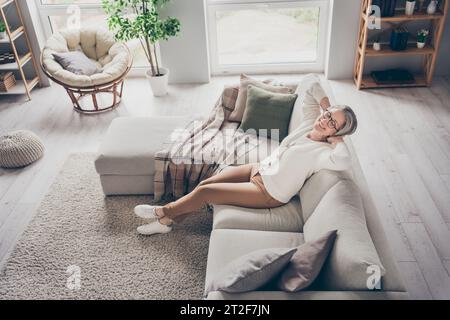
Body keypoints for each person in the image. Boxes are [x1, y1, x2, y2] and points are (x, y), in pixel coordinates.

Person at [135, 78, 358, 235]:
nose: (325, 121)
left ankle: (161, 212)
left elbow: (345, 161)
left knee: (205, 192)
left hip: (269, 192)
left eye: (332, 124)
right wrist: (329, 109)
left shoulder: (323, 153)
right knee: (207, 182)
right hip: (259, 169)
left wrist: (338, 140)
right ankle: (166, 222)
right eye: (327, 116)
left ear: (336, 132)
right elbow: (313, 87)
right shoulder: (310, 122)